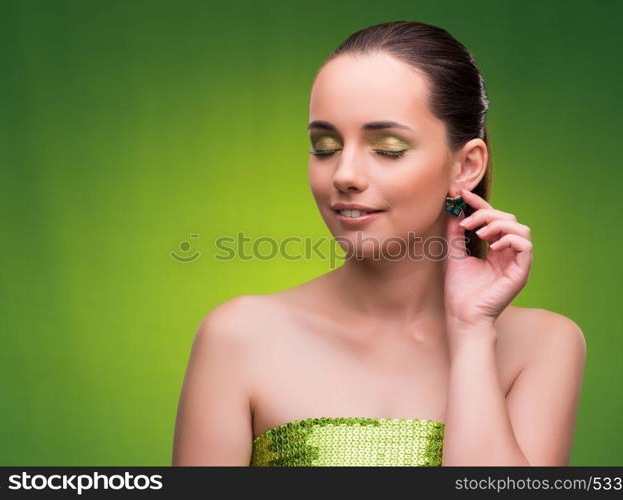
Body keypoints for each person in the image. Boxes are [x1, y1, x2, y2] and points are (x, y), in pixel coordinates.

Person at [172, 20, 586, 466]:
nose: (345, 175)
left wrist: (472, 335)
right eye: (325, 145)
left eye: (387, 147)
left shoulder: (544, 344)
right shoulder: (238, 337)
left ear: (465, 166)